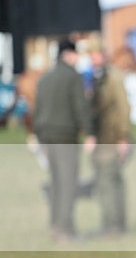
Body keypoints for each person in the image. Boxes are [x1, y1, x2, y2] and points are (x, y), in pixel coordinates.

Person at [34, 39, 95, 241]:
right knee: (69, 184)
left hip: (47, 138)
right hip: (66, 137)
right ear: (68, 54)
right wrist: (89, 133)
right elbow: (80, 106)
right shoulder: (72, 76)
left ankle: (55, 226)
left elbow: (38, 110)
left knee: (56, 183)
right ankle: (66, 230)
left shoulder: (45, 78)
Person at [89, 47, 132, 236]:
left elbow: (123, 106)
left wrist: (123, 136)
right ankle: (113, 225)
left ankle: (113, 226)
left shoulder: (113, 76)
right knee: (109, 181)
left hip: (111, 138)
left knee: (108, 182)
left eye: (95, 53)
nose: (93, 58)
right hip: (102, 138)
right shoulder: (97, 76)